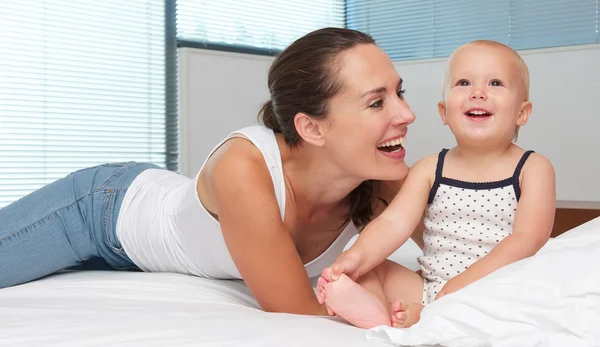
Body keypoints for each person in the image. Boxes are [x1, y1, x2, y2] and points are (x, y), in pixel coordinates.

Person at [0, 27, 418, 316]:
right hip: (99, 213)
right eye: (376, 102)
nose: (407, 114)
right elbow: (296, 311)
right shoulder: (243, 167)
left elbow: (464, 253)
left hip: (151, 252)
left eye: (399, 92)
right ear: (310, 127)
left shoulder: (387, 177)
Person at [316, 40, 556, 329]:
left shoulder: (532, 168)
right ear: (443, 112)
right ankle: (382, 316)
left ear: (522, 112)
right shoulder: (430, 168)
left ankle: (428, 316)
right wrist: (353, 259)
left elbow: (527, 239)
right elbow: (393, 222)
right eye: (464, 82)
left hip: (498, 287)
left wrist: (462, 284)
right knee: (370, 270)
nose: (477, 93)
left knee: (521, 298)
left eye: (495, 83)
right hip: (432, 287)